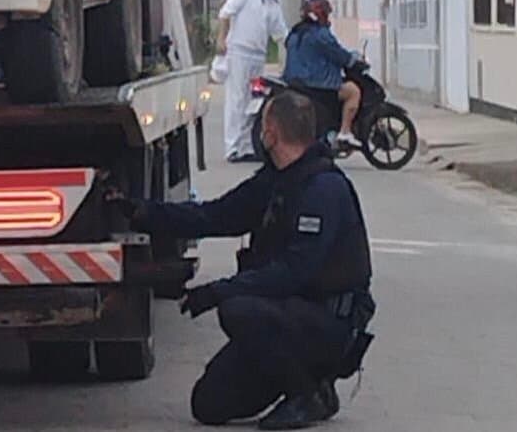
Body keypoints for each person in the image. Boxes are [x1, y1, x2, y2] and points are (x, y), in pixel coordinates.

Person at [109, 90, 375, 430]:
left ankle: (308, 394)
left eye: (263, 125)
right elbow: (215, 216)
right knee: (208, 404)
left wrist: (218, 291)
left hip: (326, 323)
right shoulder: (276, 180)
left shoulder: (323, 189)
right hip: (284, 319)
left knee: (237, 309)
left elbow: (294, 273)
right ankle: (302, 380)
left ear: (272, 133)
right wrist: (142, 212)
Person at [216, 0, 291, 162]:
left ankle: (247, 146)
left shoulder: (274, 7)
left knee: (254, 102)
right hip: (239, 52)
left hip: (258, 57)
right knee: (237, 100)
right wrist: (221, 39)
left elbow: (282, 36)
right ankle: (232, 147)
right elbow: (225, 14)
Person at [283, 0, 364, 150]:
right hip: (319, 83)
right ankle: (345, 132)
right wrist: (353, 60)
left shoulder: (295, 32)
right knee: (353, 91)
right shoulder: (320, 34)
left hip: (294, 82)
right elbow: (338, 54)